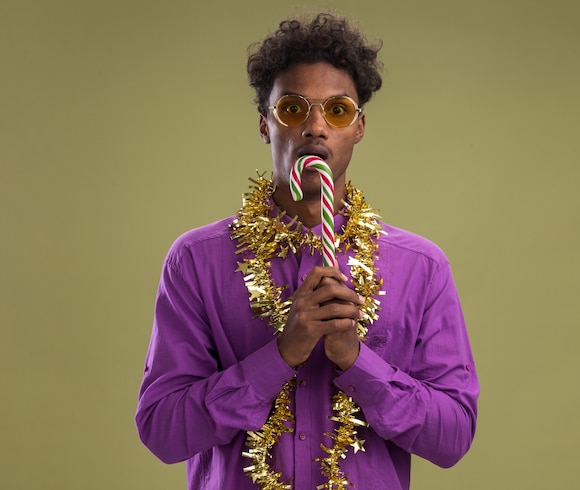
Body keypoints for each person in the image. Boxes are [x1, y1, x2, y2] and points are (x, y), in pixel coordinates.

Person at [136, 12, 479, 490]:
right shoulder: (196, 260)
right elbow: (162, 432)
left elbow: (453, 438)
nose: (316, 128)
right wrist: (282, 353)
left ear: (358, 127)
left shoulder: (421, 267)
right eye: (293, 110)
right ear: (265, 125)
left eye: (337, 110)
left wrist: (355, 359)